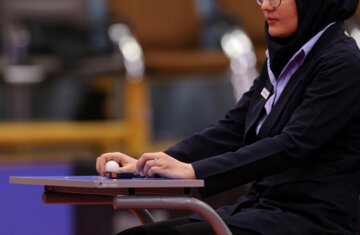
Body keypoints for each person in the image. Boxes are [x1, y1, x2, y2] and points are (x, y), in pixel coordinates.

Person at [96, 0, 360, 234]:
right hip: (260, 212)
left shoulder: (343, 63)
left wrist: (194, 172)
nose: (266, 6)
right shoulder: (282, 60)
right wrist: (148, 166)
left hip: (309, 221)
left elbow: (292, 145)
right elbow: (232, 129)